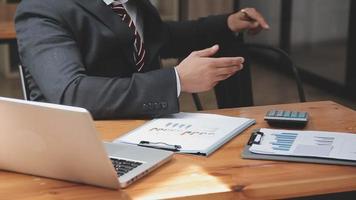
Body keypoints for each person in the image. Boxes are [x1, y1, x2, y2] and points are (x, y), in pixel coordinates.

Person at [15, 0, 269, 119]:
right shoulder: (42, 9)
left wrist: (227, 23)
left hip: (151, 131)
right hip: (85, 143)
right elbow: (72, 93)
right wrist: (176, 80)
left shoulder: (136, 5)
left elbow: (163, 37)